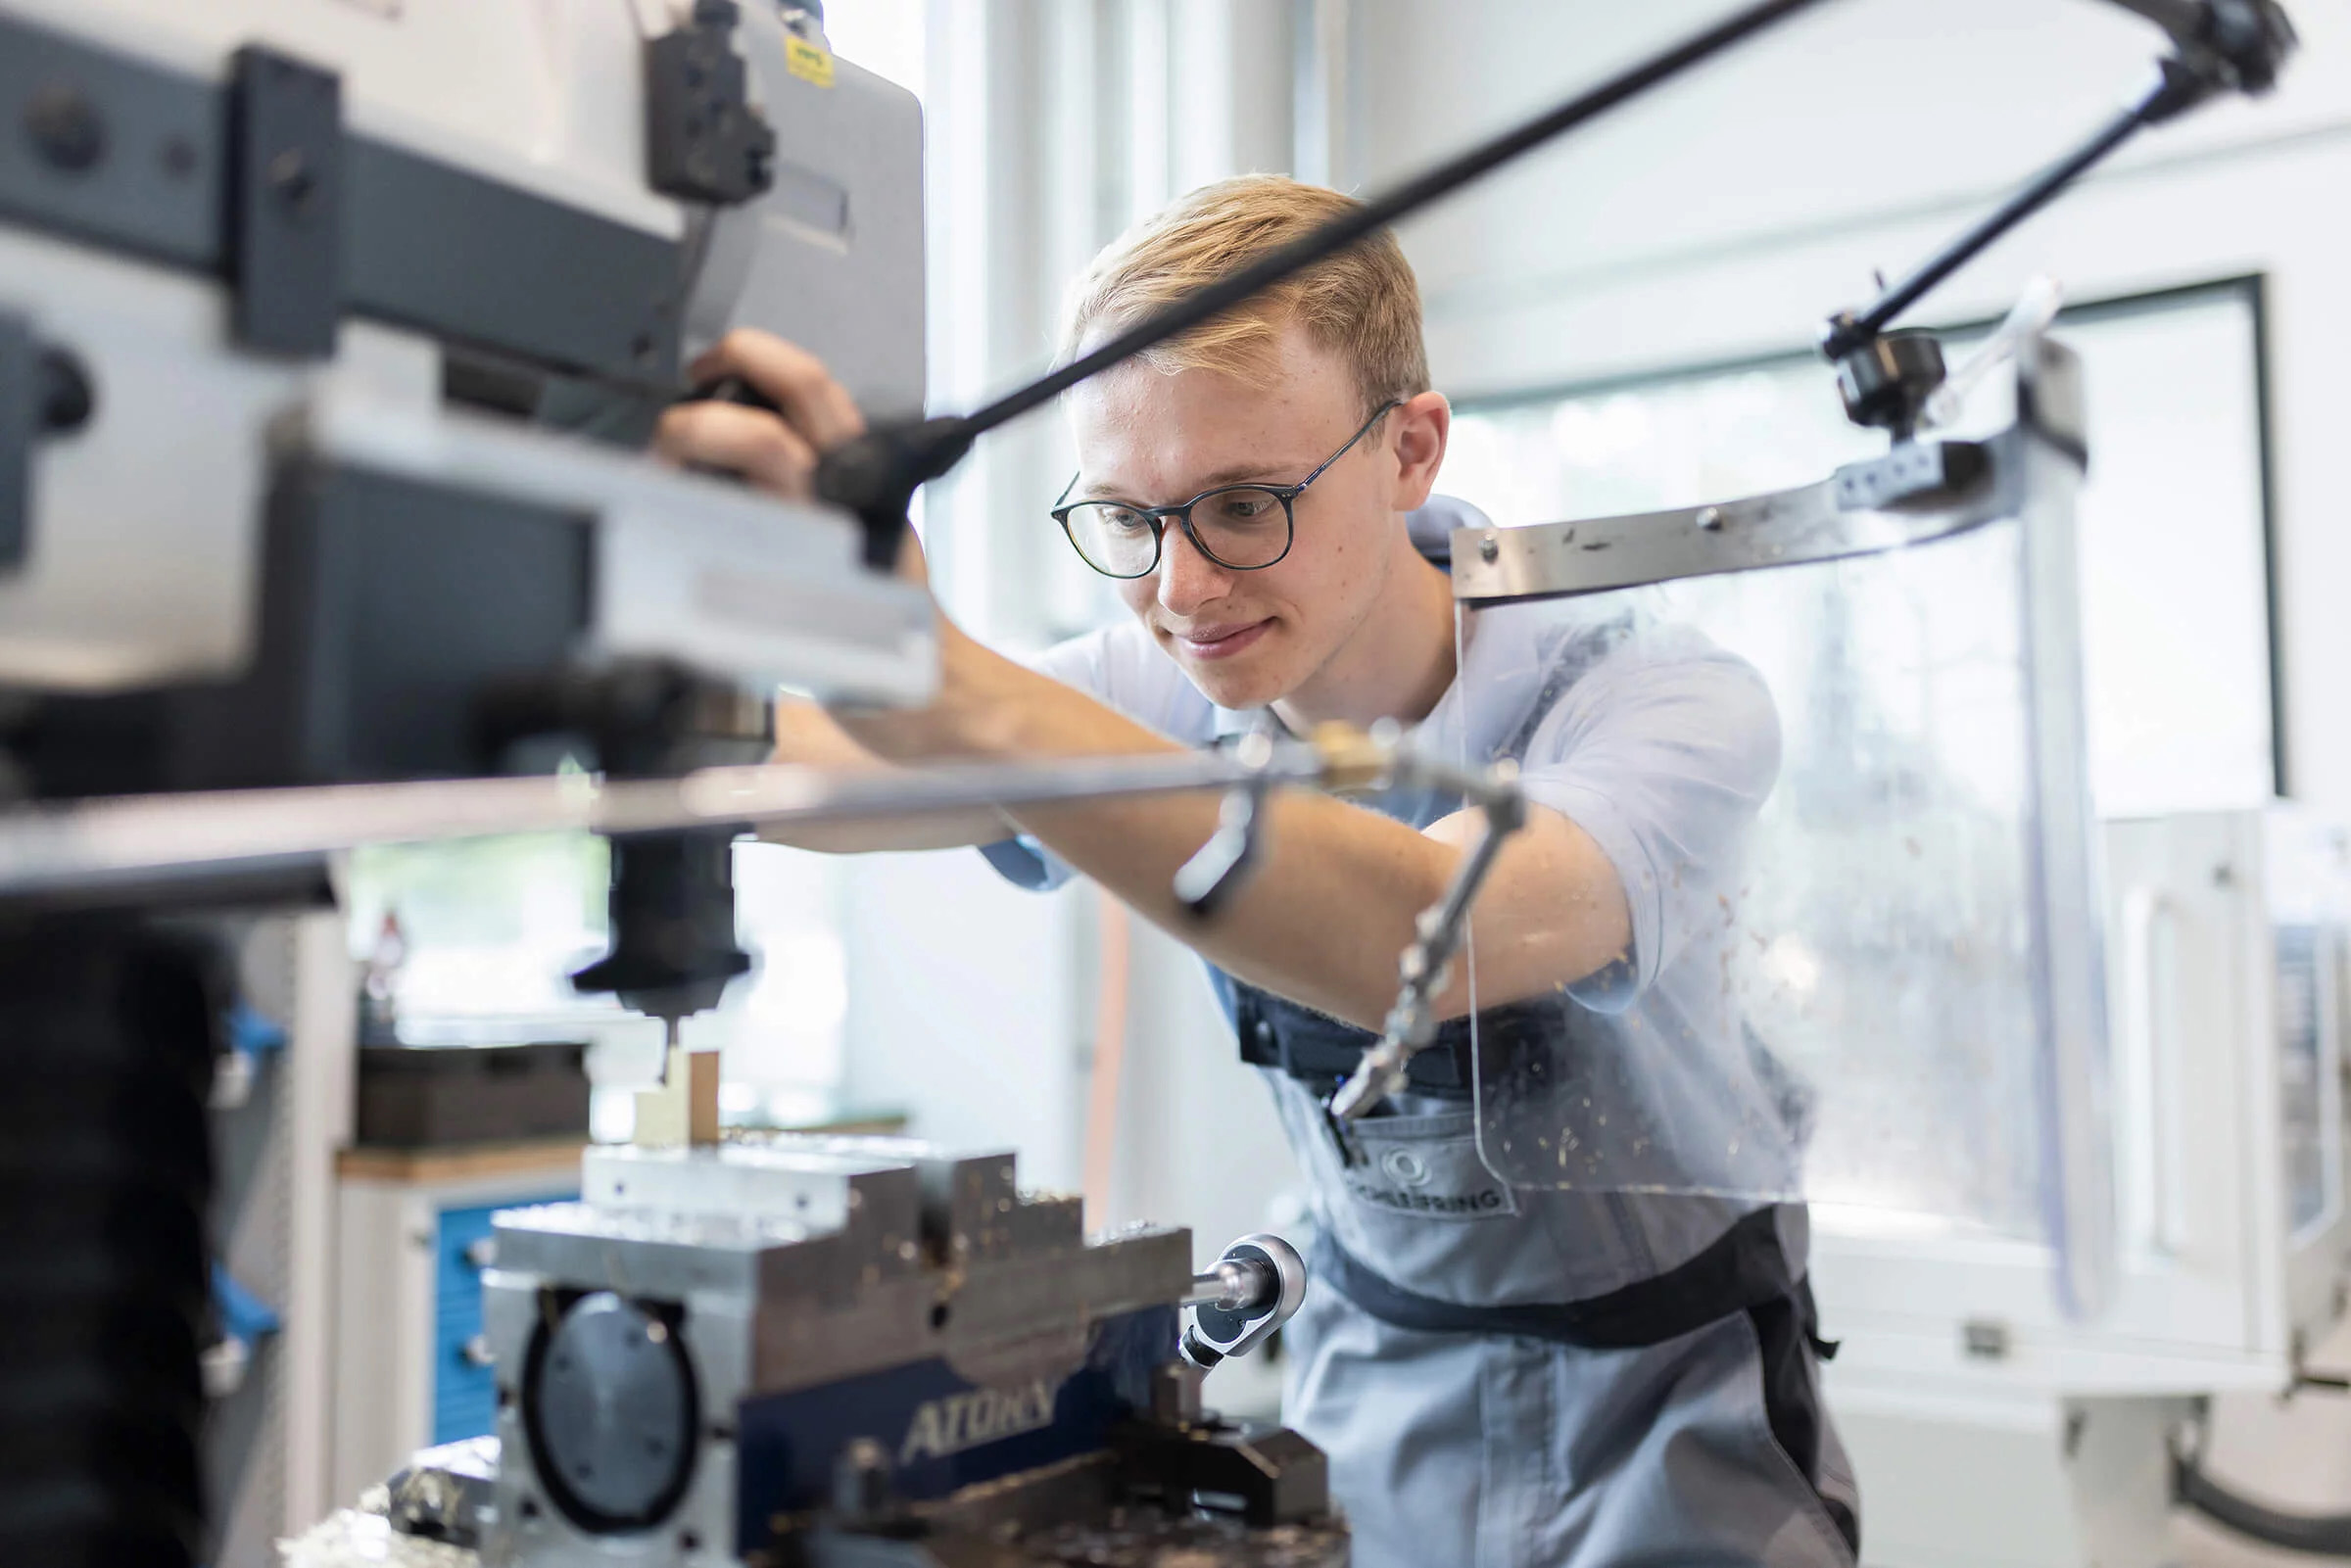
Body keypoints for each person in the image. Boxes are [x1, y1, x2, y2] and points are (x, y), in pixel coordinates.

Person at [653, 174, 1860, 1568]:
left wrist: (942, 677)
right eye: (1126, 520)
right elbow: (836, 767)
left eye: (1241, 505)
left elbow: (1420, 936)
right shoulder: (1176, 670)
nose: (1183, 588)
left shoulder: (1653, 700)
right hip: (1370, 1394)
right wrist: (575, 674)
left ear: (1409, 450)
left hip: (1668, 1417)